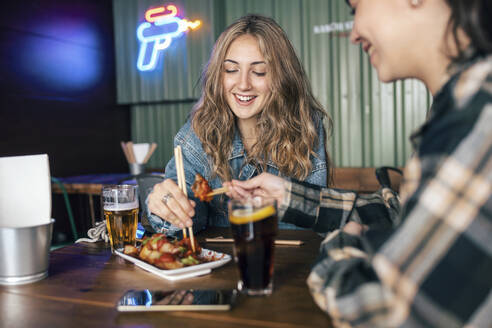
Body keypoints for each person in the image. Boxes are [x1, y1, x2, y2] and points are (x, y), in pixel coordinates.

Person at [228, 0, 492, 326]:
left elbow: (384, 312)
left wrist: (343, 245)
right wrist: (289, 197)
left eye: (356, 8)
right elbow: (400, 217)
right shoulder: (463, 103)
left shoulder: (480, 116)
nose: (353, 34)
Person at [146, 14, 332, 235]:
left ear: (282, 77)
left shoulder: (305, 127)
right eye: (231, 70)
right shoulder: (197, 133)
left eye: (259, 71)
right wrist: (167, 207)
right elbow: (185, 224)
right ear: (218, 75)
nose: (243, 84)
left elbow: (320, 223)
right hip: (217, 266)